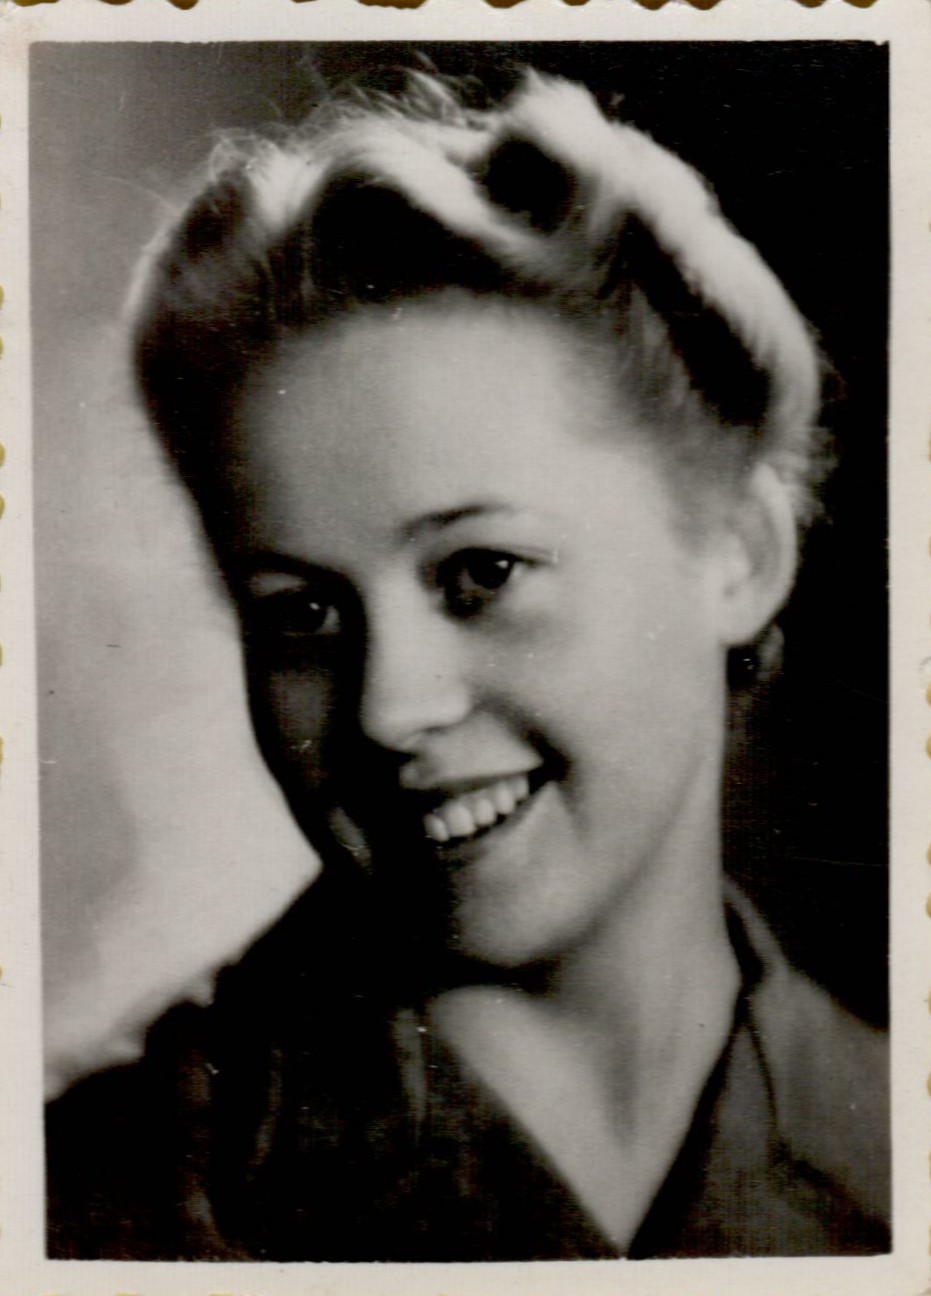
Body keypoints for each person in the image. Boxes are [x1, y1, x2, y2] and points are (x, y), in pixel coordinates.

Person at [46, 68, 889, 1262]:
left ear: (737, 554)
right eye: (302, 615)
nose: (390, 708)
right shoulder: (94, 1205)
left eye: (479, 573)